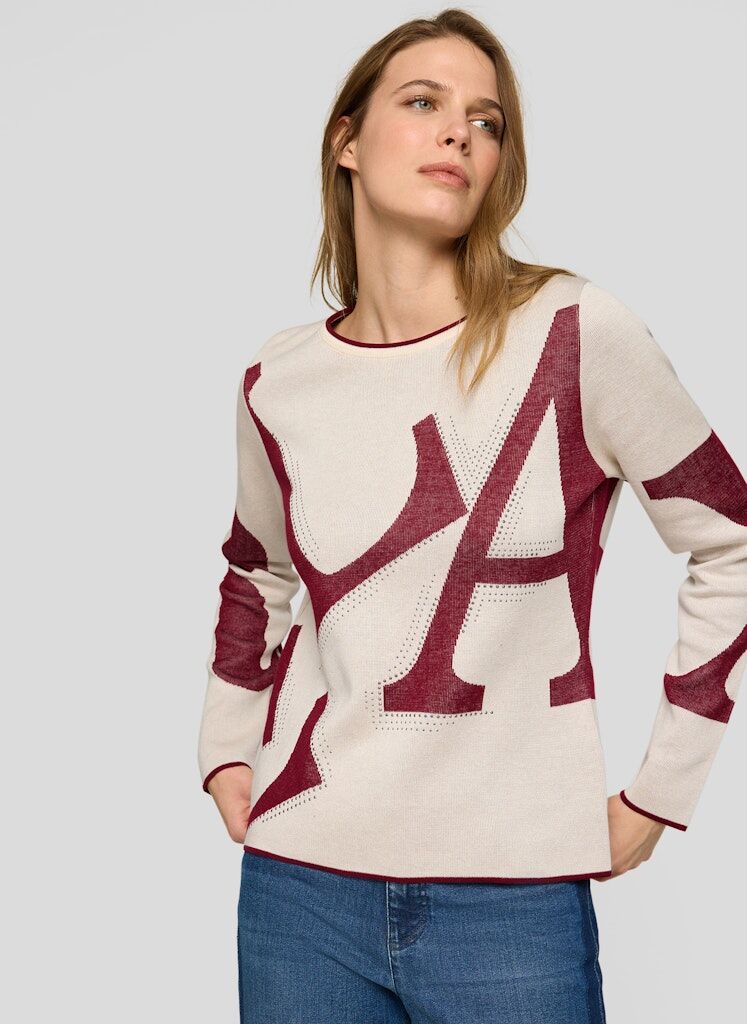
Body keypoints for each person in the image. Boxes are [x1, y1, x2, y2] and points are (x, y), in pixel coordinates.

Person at [197, 9, 747, 1023]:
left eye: (486, 121)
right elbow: (255, 569)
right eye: (424, 102)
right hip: (299, 888)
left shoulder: (572, 332)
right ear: (347, 140)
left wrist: (661, 793)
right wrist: (227, 745)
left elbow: (733, 541)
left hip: (511, 902)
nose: (459, 131)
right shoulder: (279, 377)